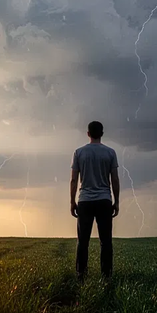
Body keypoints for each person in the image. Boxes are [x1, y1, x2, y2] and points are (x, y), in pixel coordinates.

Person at [70, 120, 120, 282]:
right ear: (102, 134)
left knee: (82, 241)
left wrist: (72, 202)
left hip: (85, 200)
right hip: (104, 200)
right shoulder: (110, 153)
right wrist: (116, 201)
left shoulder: (79, 153)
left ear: (88, 134)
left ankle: (81, 275)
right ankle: (106, 276)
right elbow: (114, 179)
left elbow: (74, 180)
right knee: (106, 241)